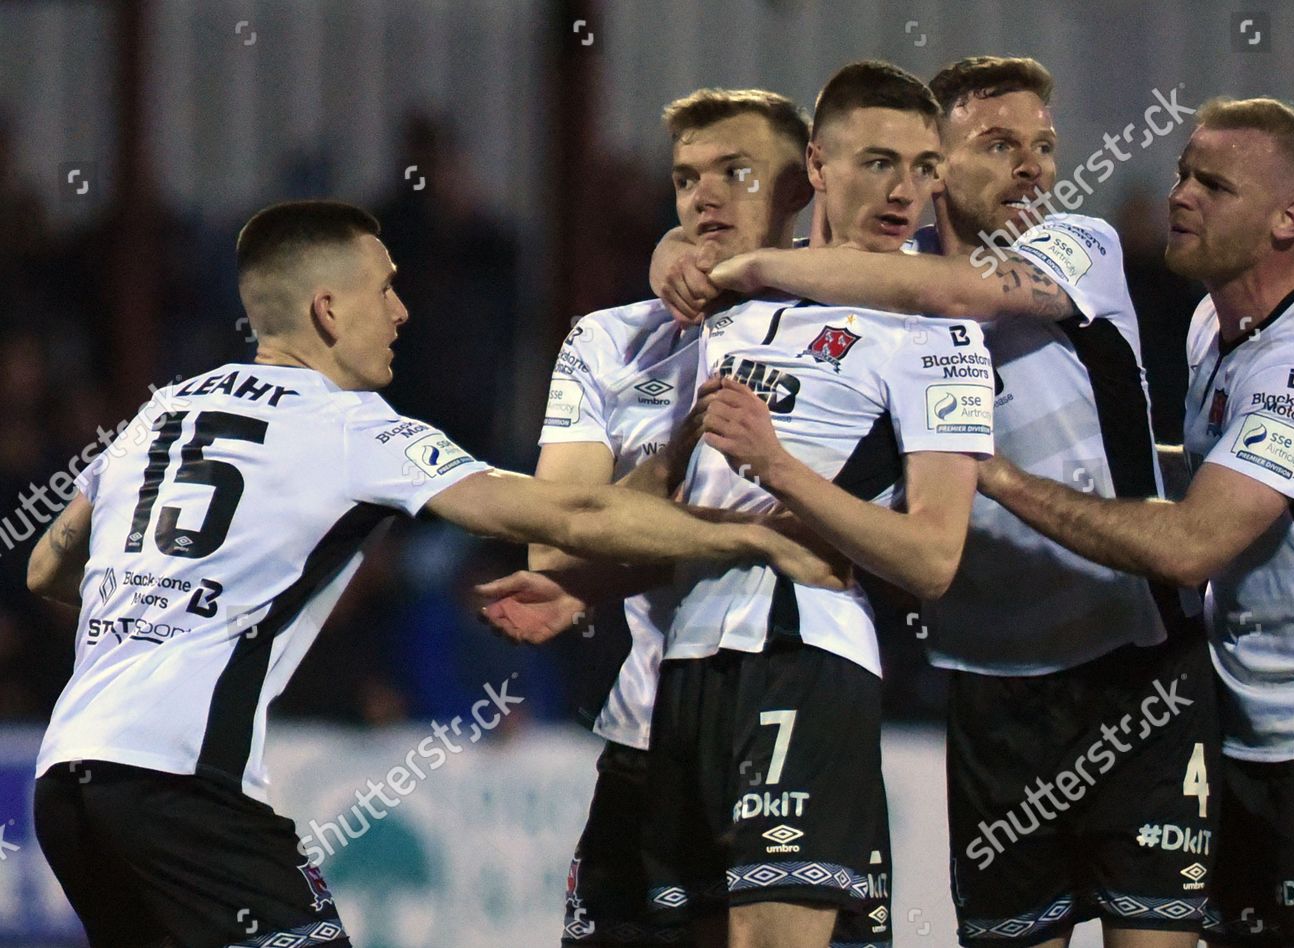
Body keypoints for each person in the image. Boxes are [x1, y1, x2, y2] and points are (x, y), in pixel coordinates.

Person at [24, 200, 839, 948]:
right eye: (385, 289)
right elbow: (568, 516)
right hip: (182, 790)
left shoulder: (161, 411)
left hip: (67, 783)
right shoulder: (347, 426)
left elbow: (48, 566)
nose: (401, 311)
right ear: (327, 309)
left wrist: (153, 599)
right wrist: (755, 535)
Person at [679, 56, 1215, 947]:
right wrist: (689, 255)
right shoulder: (872, 293)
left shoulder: (1077, 246)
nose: (1034, 167)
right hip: (991, 687)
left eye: (1043, 146)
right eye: (997, 145)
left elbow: (951, 293)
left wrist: (750, 262)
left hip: (1137, 667)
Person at [969, 99, 1294, 946]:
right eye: (1185, 173)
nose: (1181, 195)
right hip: (1245, 739)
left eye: (1214, 185)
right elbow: (1207, 473)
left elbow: (1192, 546)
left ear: (1287, 220)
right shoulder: (1210, 325)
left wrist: (1003, 479)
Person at [520, 87, 887, 948]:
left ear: (804, 183)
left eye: (737, 172)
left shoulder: (865, 328)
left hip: (798, 715)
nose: (705, 198)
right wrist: (679, 456)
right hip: (647, 741)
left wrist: (646, 532)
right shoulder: (608, 342)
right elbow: (554, 544)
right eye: (687, 180)